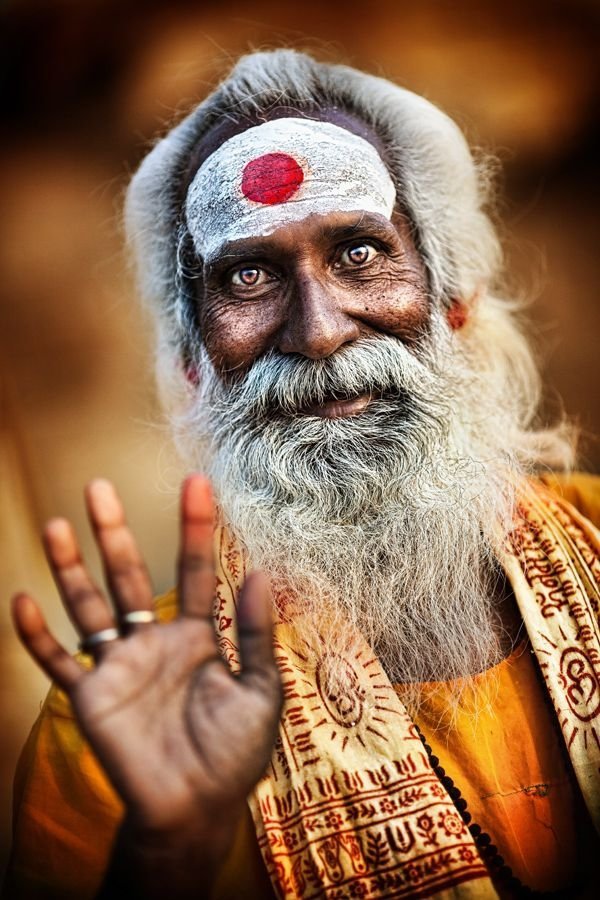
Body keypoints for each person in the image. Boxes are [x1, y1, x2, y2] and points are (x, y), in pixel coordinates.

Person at [5, 48, 600, 900]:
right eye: (248, 275)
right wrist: (168, 852)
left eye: (359, 253)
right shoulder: (125, 729)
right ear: (194, 364)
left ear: (453, 304)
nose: (318, 331)